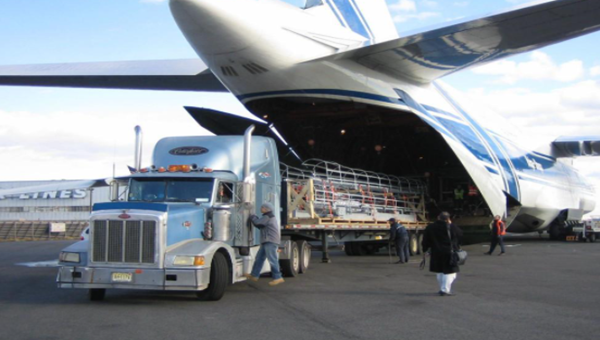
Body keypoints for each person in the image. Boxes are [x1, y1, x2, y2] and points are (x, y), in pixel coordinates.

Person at [422, 212, 463, 296]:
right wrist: (451, 224)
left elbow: (425, 240)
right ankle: (445, 289)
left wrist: (425, 249)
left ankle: (442, 287)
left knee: (439, 271)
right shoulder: (450, 226)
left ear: (438, 217)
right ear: (448, 219)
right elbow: (460, 234)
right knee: (451, 272)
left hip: (436, 252)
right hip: (449, 252)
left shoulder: (430, 227)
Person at [245, 202, 284, 286]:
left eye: (262, 207)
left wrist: (252, 216)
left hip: (270, 241)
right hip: (266, 241)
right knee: (259, 258)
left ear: (266, 209)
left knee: (272, 259)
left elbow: (258, 223)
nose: (261, 209)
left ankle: (278, 277)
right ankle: (254, 275)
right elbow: (260, 225)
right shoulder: (267, 217)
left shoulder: (267, 216)